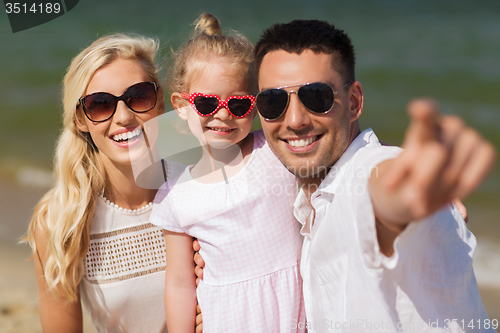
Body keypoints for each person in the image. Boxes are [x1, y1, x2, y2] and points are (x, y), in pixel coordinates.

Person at [195, 19, 496, 332]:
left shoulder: (366, 178)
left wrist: (403, 196)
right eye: (273, 102)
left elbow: (379, 196)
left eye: (316, 97)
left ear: (353, 102)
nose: (295, 120)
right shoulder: (310, 203)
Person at [150, 14, 306, 333]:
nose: (223, 114)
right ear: (181, 105)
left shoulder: (277, 152)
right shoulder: (176, 195)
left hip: (299, 312)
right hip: (228, 320)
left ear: (258, 104)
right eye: (206, 103)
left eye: (239, 104)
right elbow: (180, 284)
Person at [24, 34, 185, 332]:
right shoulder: (61, 221)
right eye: (100, 104)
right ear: (81, 120)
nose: (123, 116)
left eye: (138, 96)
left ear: (160, 101)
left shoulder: (197, 184)